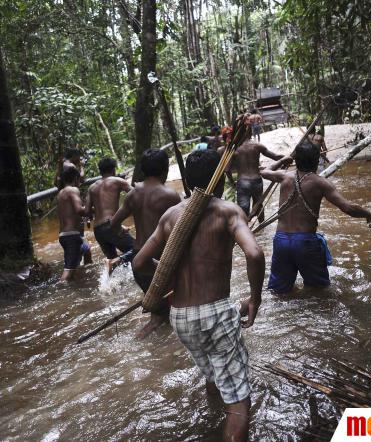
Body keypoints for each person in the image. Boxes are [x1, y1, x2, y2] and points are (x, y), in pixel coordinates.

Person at [133, 150, 265, 442]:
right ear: (219, 180)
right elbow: (254, 253)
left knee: (214, 374)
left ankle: (211, 416)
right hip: (214, 313)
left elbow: (139, 263)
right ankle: (228, 417)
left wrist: (168, 274)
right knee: (239, 404)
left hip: (181, 318)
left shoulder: (170, 217)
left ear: (189, 181)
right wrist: (255, 299)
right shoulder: (228, 211)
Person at [261, 141, 371, 294]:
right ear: (317, 161)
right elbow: (347, 207)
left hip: (281, 240)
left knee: (280, 292)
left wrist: (283, 160)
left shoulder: (284, 177)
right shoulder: (321, 183)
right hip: (305, 242)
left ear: (296, 161)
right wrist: (369, 214)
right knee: (319, 291)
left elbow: (264, 171)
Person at [110, 148, 181, 338]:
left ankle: (156, 352)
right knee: (162, 316)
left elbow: (114, 224)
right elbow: (181, 231)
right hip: (160, 262)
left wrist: (132, 240)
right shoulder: (170, 195)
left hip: (138, 260)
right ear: (165, 170)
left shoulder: (133, 194)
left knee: (161, 313)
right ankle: (139, 342)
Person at [86, 157, 134, 272]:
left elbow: (87, 211)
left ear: (100, 171)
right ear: (113, 169)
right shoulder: (117, 181)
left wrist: (99, 209)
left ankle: (111, 288)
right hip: (111, 225)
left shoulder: (91, 188)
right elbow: (136, 195)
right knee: (137, 249)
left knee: (112, 261)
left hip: (97, 230)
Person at [227, 139, 291, 222]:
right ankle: (262, 228)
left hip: (243, 182)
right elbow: (276, 156)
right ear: (249, 131)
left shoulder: (233, 148)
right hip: (257, 180)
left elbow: (227, 170)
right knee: (259, 206)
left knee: (243, 209)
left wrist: (232, 182)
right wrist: (288, 158)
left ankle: (245, 229)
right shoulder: (257, 145)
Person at [57, 167, 92, 283]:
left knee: (86, 249)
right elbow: (79, 210)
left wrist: (86, 218)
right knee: (68, 272)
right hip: (72, 236)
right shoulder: (73, 190)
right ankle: (62, 293)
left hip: (65, 235)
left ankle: (86, 277)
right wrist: (96, 209)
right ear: (76, 178)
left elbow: (74, 214)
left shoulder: (61, 192)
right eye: (80, 179)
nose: (80, 182)